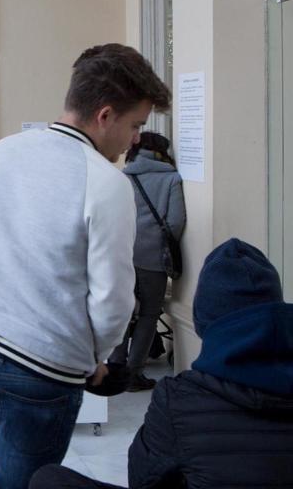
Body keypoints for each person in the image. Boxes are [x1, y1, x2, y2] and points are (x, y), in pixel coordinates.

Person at [0, 43, 171, 489]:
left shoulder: (0, 153)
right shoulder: (106, 182)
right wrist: (95, 362)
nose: (134, 140)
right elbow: (112, 300)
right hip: (40, 372)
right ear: (105, 115)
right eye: (135, 125)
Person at [29, 238, 293, 489]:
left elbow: (142, 479)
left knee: (49, 480)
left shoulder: (178, 399)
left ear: (204, 319)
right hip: (152, 265)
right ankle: (132, 369)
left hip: (140, 261)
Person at [108, 132, 186, 391]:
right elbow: (175, 221)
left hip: (123, 255)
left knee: (122, 311)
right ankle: (134, 374)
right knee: (149, 314)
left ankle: (116, 366)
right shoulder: (172, 178)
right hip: (152, 257)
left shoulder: (122, 176)